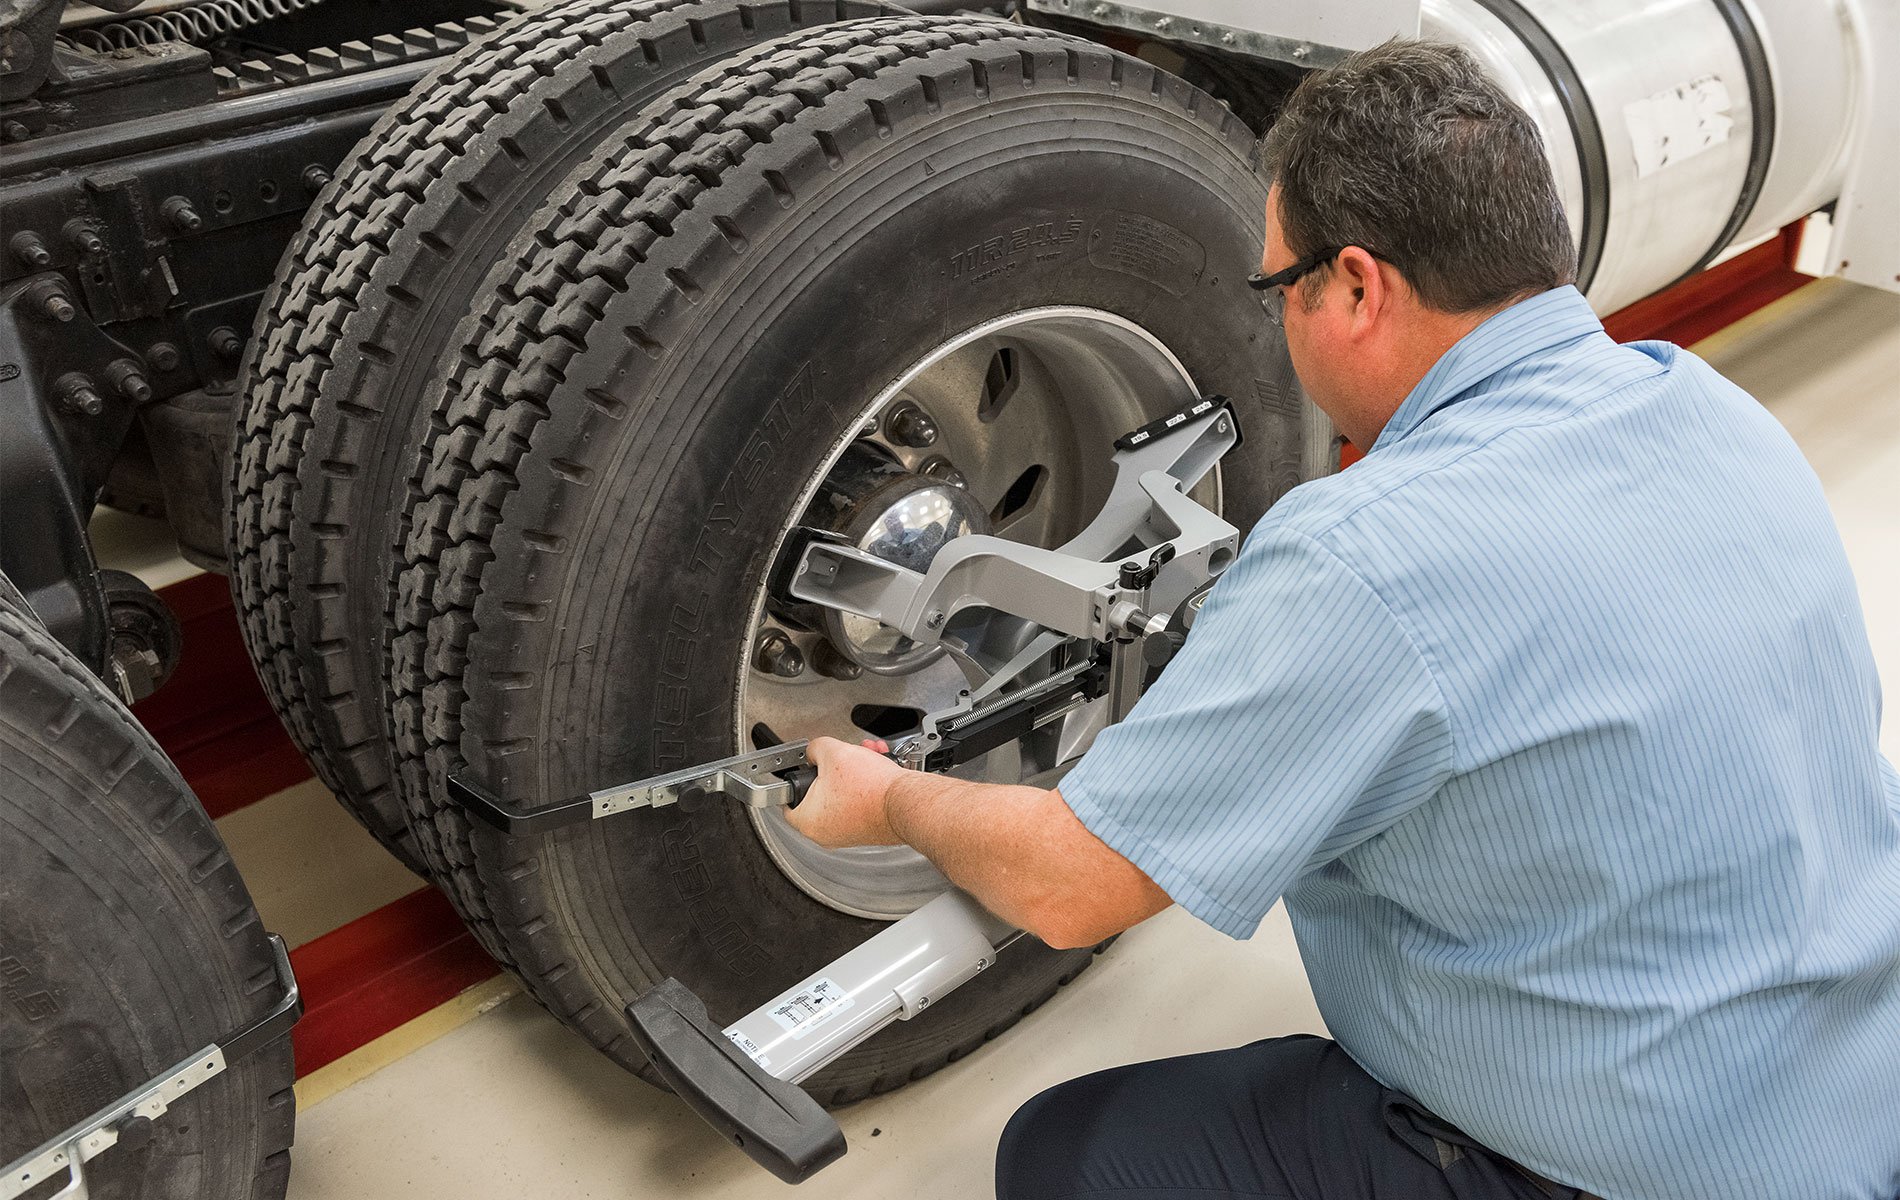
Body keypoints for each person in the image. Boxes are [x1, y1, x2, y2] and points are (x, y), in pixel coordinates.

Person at [785, 40, 1900, 1200]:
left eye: (1275, 288)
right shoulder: (1710, 408)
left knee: (1069, 1157)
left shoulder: (1363, 553)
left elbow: (1074, 890)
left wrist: (893, 800)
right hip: (1864, 1072)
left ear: (1357, 286)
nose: (1273, 320)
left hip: (1653, 1168)